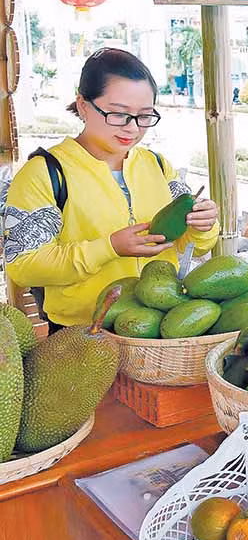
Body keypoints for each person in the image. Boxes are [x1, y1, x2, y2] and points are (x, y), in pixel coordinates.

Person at [4, 48, 220, 329]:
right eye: (118, 114)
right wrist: (109, 248)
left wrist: (204, 226)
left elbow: (193, 245)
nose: (132, 128)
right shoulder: (45, 173)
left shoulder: (157, 165)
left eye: (144, 116)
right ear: (83, 105)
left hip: (156, 328)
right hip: (82, 333)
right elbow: (23, 265)